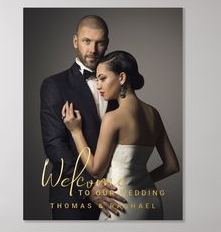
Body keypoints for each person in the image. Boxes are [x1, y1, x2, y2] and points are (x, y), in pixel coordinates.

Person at [62, 50, 180, 220]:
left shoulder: (113, 118)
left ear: (122, 78)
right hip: (151, 202)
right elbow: (171, 166)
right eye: (97, 79)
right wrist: (141, 183)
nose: (98, 85)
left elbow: (95, 170)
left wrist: (76, 131)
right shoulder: (154, 113)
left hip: (120, 205)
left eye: (102, 78)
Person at [40, 15, 126, 220]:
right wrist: (88, 187)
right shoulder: (54, 85)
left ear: (107, 44)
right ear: (75, 41)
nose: (93, 50)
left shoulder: (118, 85)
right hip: (72, 197)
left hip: (114, 193)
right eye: (87, 41)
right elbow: (55, 144)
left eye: (100, 43)